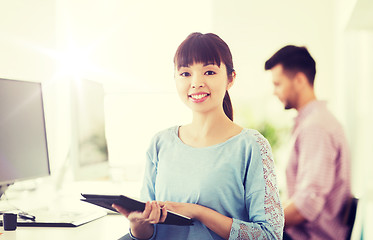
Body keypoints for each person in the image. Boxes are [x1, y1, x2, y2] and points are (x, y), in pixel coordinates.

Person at [113, 32, 284, 240]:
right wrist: (136, 225)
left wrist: (197, 212)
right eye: (185, 74)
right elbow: (148, 232)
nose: (196, 82)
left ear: (231, 79)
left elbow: (270, 235)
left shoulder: (252, 146)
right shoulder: (160, 143)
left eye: (209, 72)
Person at [264, 45, 351, 240]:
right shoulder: (314, 121)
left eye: (277, 84)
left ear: (300, 80)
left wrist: (259, 226)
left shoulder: (315, 127)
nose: (274, 92)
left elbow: (306, 205)